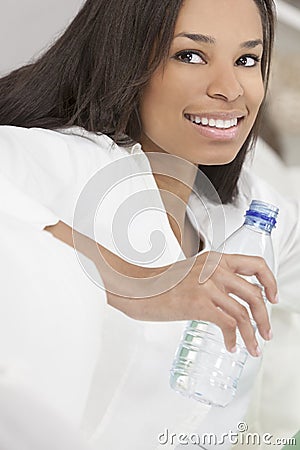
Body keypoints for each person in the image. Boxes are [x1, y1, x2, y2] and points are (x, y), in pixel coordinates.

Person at [0, 0, 299, 448]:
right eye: (190, 56)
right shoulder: (54, 161)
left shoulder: (258, 210)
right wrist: (139, 282)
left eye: (246, 60)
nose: (230, 88)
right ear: (125, 59)